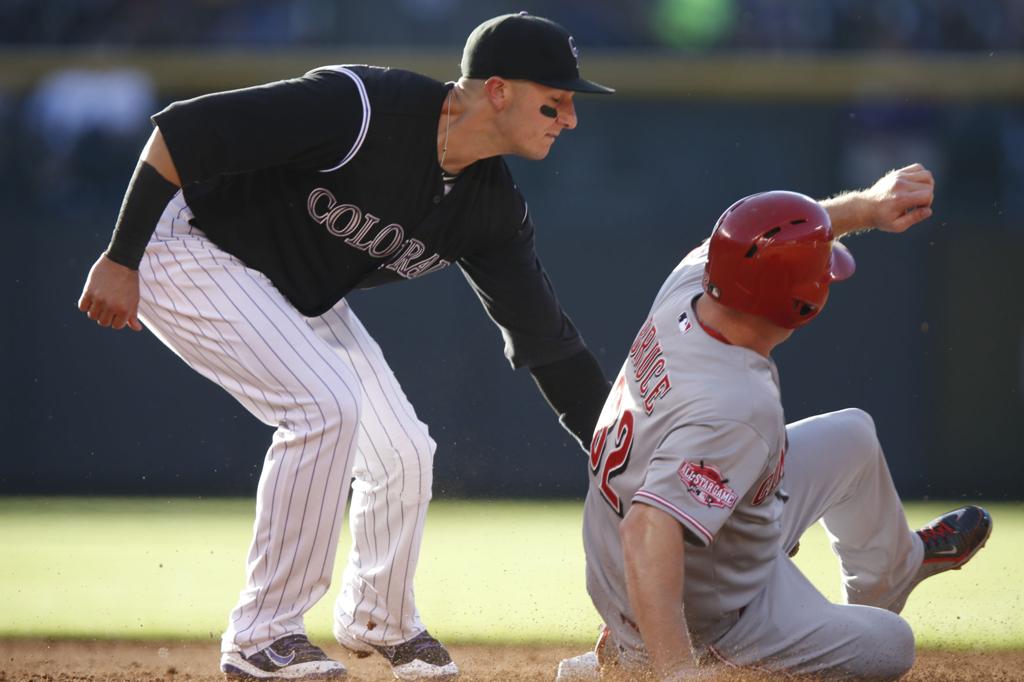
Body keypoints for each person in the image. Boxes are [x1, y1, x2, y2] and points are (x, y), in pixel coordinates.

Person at [77, 12, 615, 681]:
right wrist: (121, 258)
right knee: (323, 407)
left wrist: (625, 459)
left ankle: (378, 617)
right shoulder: (364, 107)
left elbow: (550, 347)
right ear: (498, 90)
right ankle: (260, 636)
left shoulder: (490, 210)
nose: (569, 119)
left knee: (405, 452)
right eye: (556, 101)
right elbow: (184, 131)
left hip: (288, 285)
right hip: (187, 241)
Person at [556, 170, 993, 681]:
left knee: (853, 436)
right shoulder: (738, 405)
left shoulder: (693, 286)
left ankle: (891, 573)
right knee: (893, 646)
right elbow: (648, 531)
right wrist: (676, 673)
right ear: (806, 304)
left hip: (672, 545)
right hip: (704, 607)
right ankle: (644, 658)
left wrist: (869, 208)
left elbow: (759, 240)